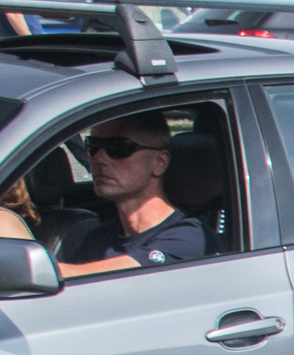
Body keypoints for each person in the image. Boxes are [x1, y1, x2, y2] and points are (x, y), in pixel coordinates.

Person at [56, 111, 205, 278]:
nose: (99, 159)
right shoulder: (97, 239)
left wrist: (30, 270)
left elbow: (129, 276)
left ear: (159, 162)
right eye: (93, 146)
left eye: (118, 148)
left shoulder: (189, 238)